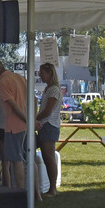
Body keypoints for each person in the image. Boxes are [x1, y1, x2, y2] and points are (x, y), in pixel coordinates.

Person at [0, 58, 28, 189]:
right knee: (26, 160)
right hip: (24, 125)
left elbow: (12, 105)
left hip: (13, 126)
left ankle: (19, 193)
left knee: (16, 161)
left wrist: (28, 120)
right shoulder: (19, 78)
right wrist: (30, 119)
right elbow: (32, 99)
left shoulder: (3, 82)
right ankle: (33, 193)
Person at [33, 62, 63, 195]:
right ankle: (51, 187)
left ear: (49, 73)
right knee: (46, 157)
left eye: (42, 73)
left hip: (49, 125)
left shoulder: (54, 90)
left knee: (49, 157)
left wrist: (36, 118)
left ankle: (53, 188)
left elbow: (48, 110)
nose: (40, 75)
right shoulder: (48, 89)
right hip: (46, 125)